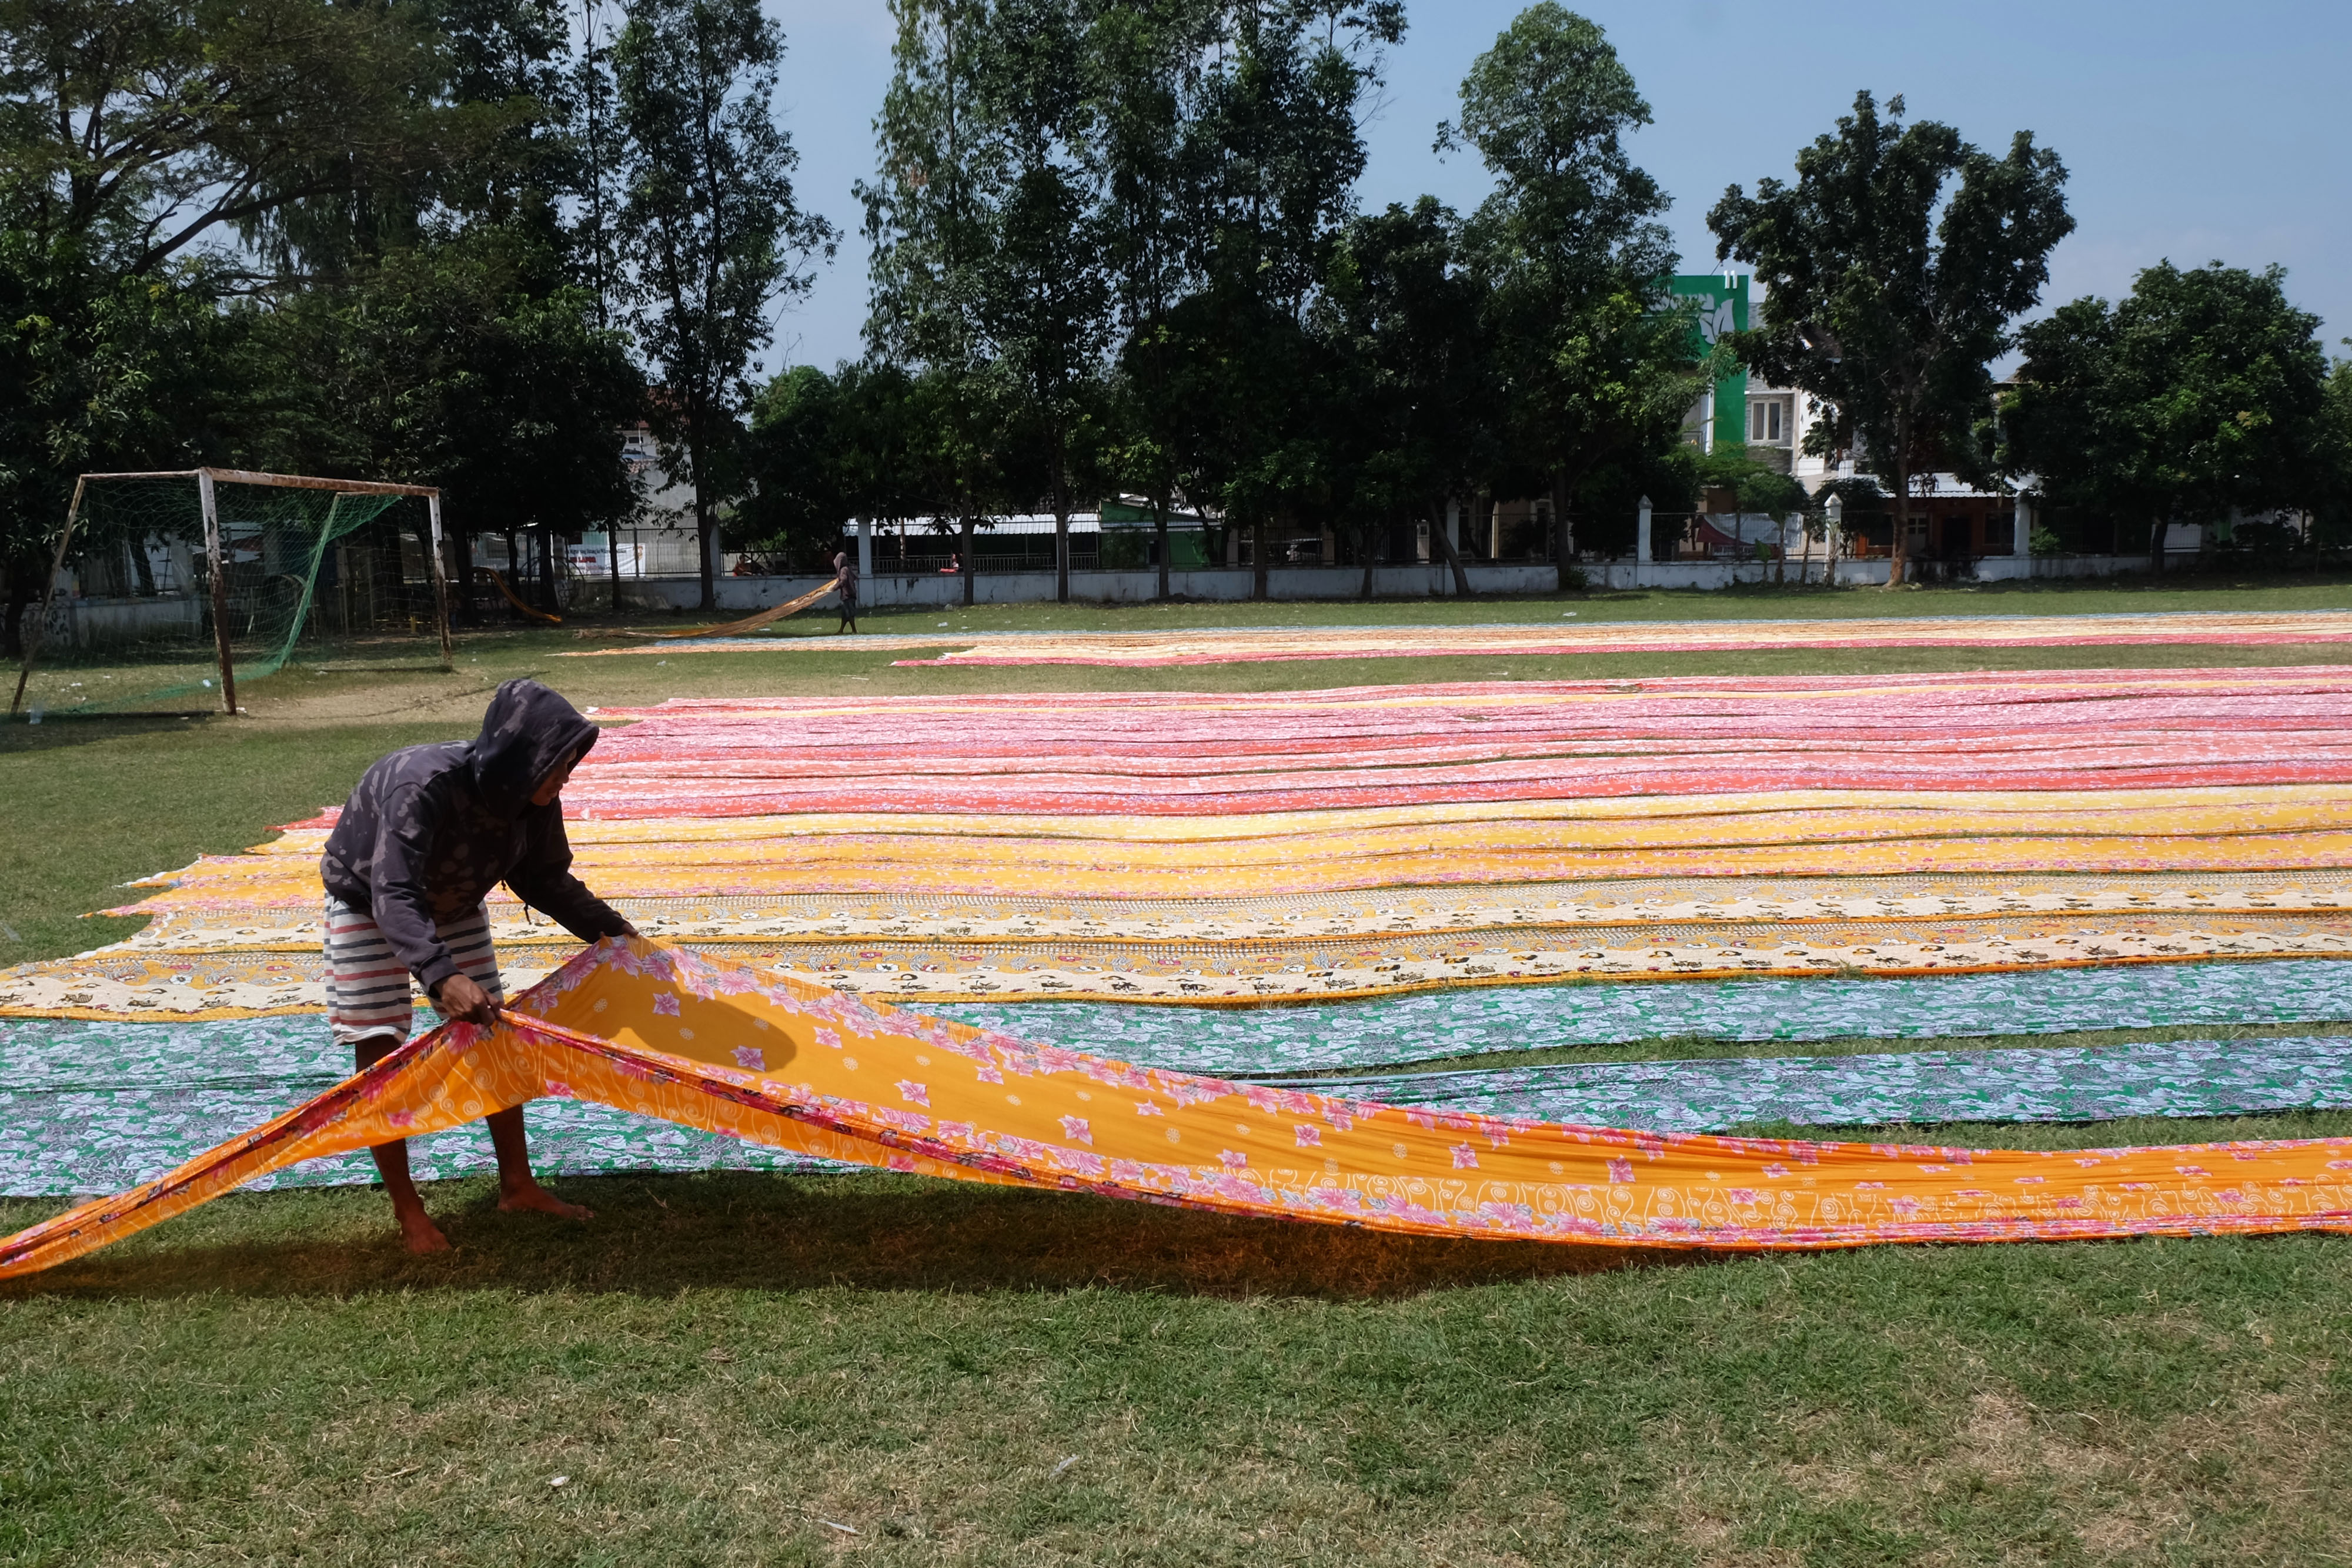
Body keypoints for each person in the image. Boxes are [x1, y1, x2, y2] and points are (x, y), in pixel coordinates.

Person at [318, 678, 637, 1253]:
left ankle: (518, 1186)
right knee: (380, 1046)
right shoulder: (426, 786)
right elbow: (393, 893)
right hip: (366, 898)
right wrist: (442, 976)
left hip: (453, 901)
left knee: (492, 1036)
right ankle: (408, 1210)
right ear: (523, 757)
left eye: (571, 763)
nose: (568, 775)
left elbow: (545, 880)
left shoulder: (533, 800)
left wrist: (618, 938)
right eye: (560, 764)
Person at [833, 547, 858, 633]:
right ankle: (841, 630)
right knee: (844, 615)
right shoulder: (848, 569)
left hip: (848, 595)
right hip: (850, 595)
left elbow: (843, 581)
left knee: (849, 614)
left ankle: (854, 630)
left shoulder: (843, 570)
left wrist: (836, 587)